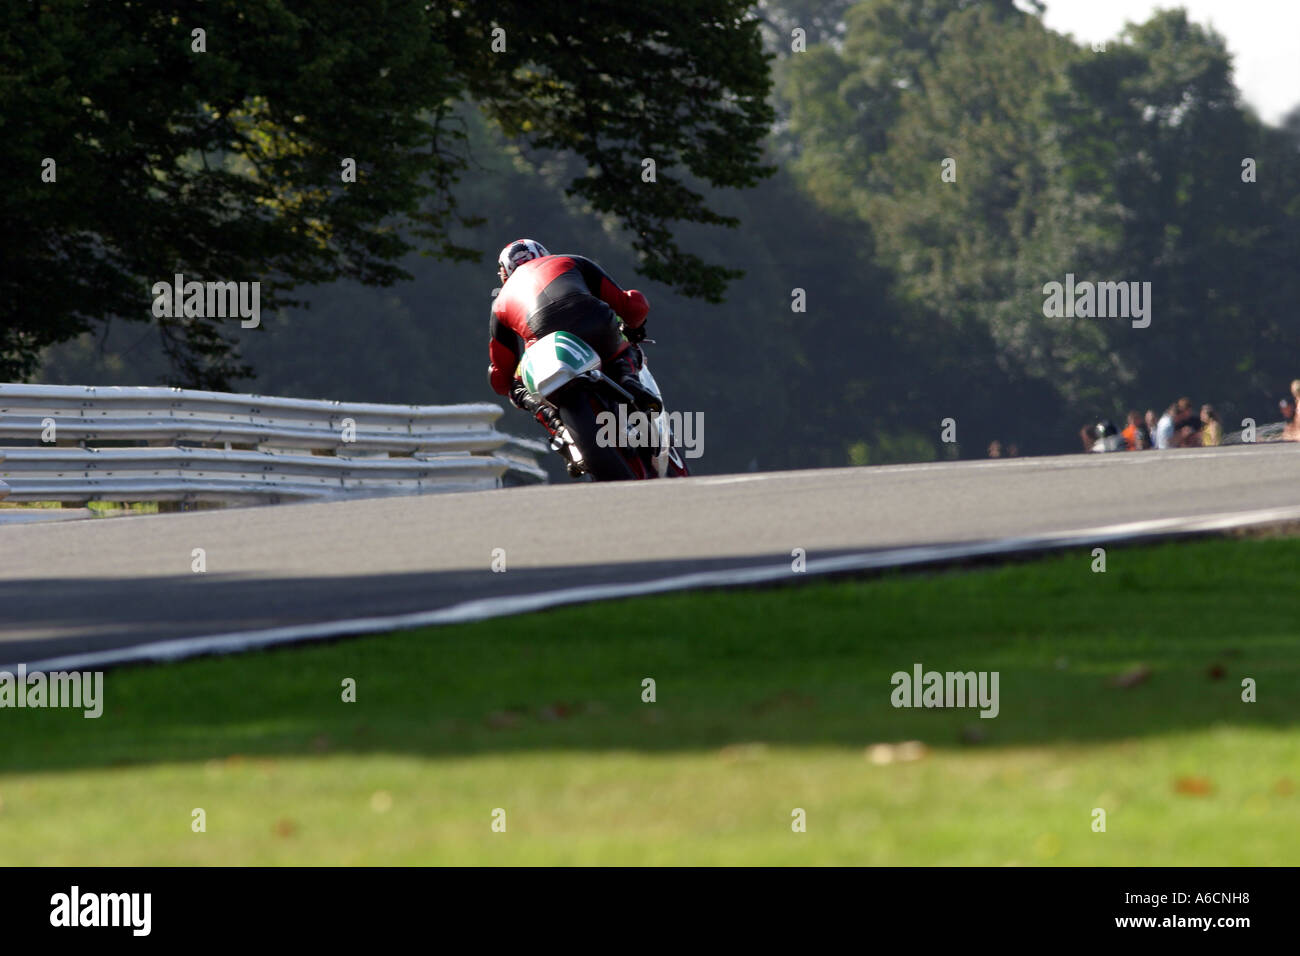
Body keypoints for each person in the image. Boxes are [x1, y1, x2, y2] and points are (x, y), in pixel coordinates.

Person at [487, 239, 661, 420]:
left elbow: (501, 372)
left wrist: (508, 386)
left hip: (543, 349)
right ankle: (627, 380)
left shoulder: (500, 302)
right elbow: (632, 306)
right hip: (593, 323)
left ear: (505, 272)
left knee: (517, 387)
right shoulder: (571, 261)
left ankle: (551, 420)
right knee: (623, 346)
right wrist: (634, 328)